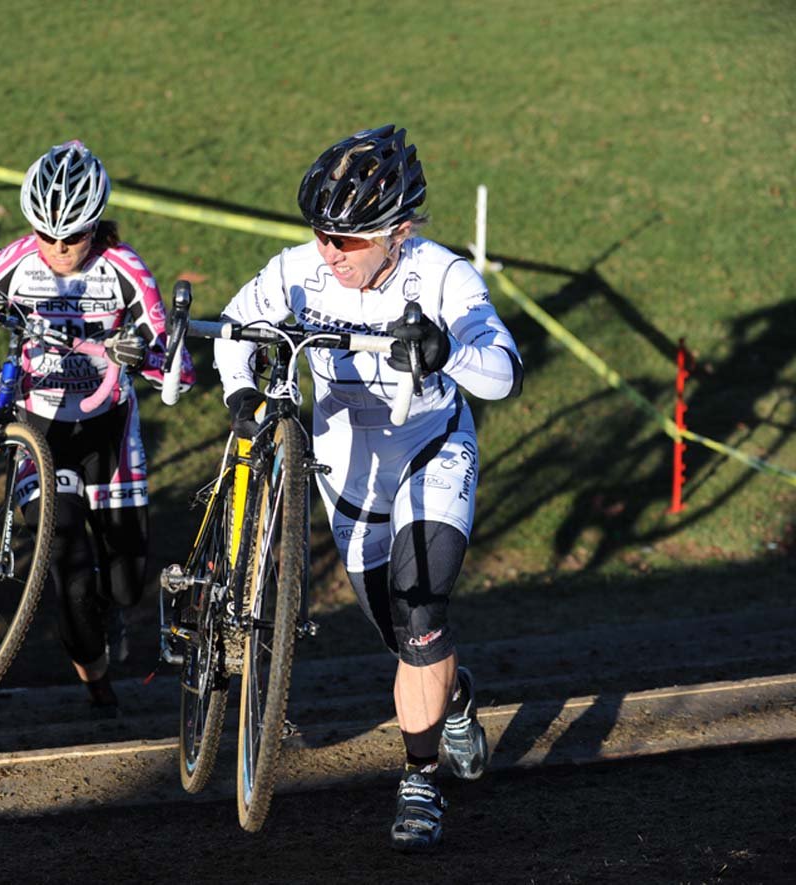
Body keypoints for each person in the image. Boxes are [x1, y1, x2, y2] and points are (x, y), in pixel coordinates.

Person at [213, 125, 523, 851]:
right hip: (348, 479)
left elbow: (503, 370)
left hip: (430, 456)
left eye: (349, 240)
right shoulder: (298, 270)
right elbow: (233, 326)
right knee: (404, 639)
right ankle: (456, 696)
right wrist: (240, 395)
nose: (329, 252)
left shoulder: (443, 276)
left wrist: (448, 349)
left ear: (399, 232)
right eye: (322, 233)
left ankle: (419, 781)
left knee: (420, 613)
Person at [0, 140, 194, 714]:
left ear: (97, 226)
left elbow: (179, 368)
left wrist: (144, 356)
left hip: (109, 434)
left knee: (124, 583)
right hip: (39, 434)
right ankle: (98, 689)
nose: (60, 249)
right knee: (65, 563)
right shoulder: (10, 263)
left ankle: (115, 614)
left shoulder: (125, 271)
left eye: (74, 237)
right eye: (46, 236)